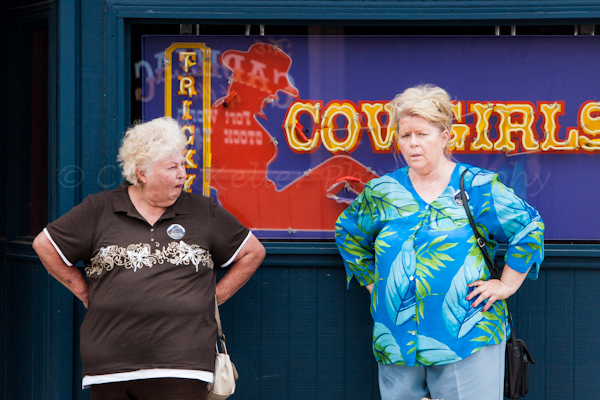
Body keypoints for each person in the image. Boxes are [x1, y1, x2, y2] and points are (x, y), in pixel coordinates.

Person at [334, 85, 544, 400]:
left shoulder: (478, 187)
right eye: (405, 135)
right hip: (396, 337)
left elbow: (528, 227)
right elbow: (349, 233)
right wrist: (373, 285)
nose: (413, 143)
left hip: (467, 336)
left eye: (423, 134)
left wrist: (506, 285)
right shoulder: (383, 192)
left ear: (445, 137)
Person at [32, 116, 266, 400]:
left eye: (183, 163)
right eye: (172, 167)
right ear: (142, 173)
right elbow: (45, 244)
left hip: (183, 364)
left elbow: (253, 251)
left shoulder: (202, 211)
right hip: (112, 364)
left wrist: (213, 296)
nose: (183, 174)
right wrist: (82, 290)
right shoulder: (100, 209)